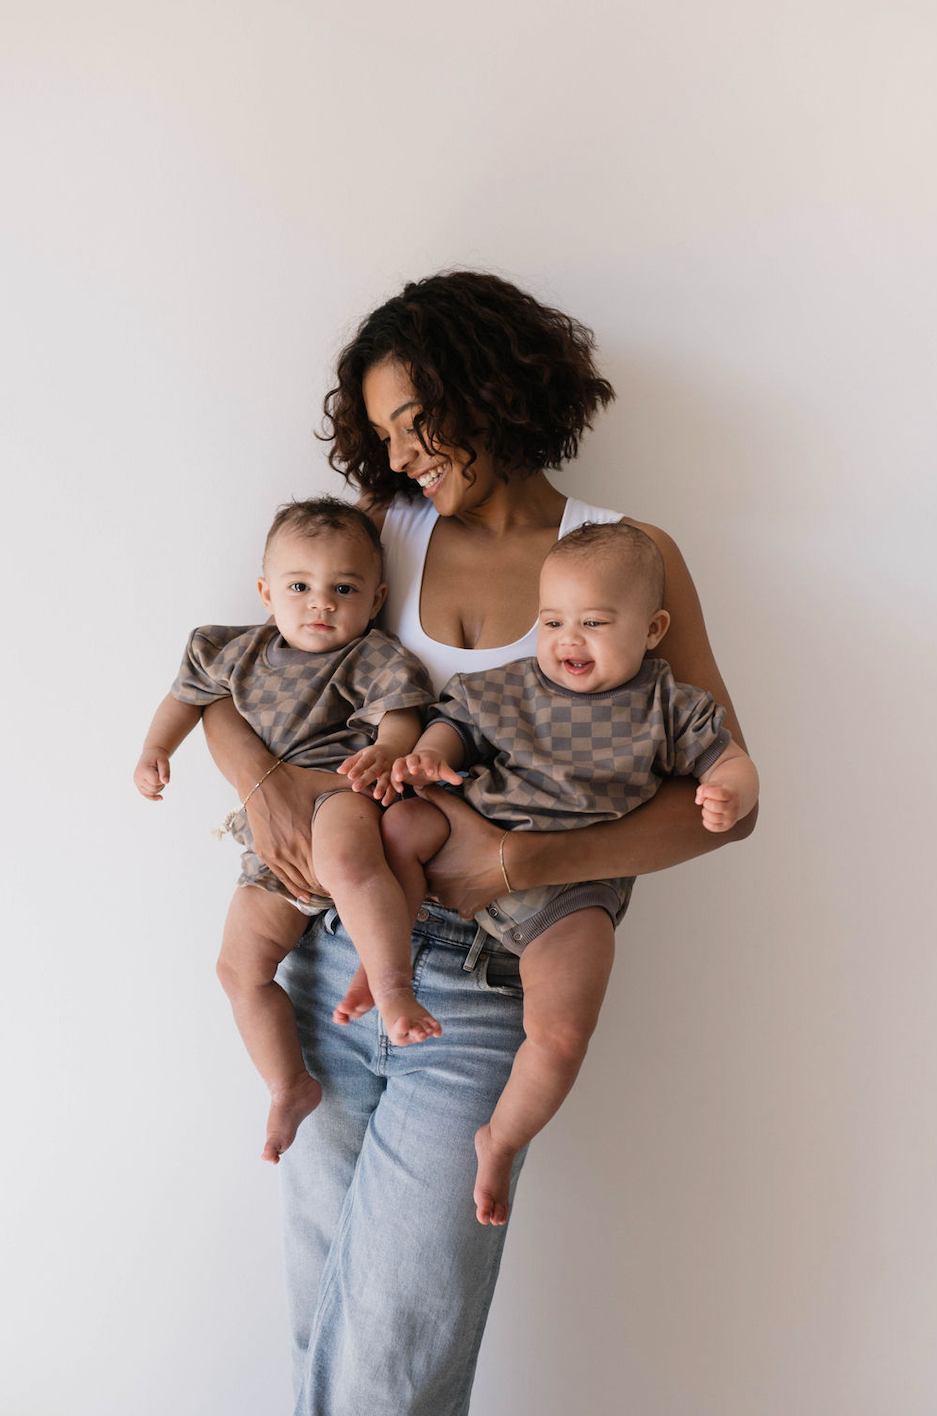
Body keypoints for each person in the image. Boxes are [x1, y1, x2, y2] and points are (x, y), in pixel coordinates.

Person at [201, 271, 757, 1416]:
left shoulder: (623, 554)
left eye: (417, 418)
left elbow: (723, 803)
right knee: (328, 1325)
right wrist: (258, 781)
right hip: (327, 962)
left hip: (492, 985)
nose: (402, 453)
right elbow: (224, 679)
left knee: (390, 1363)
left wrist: (516, 864)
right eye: (383, 430)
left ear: (491, 388)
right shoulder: (379, 540)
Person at [339, 521, 758, 1227]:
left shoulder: (668, 707)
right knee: (399, 829)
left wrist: (730, 789)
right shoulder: (510, 687)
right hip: (470, 834)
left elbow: (730, 763)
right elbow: (455, 723)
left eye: (594, 623)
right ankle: (382, 969)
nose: (569, 639)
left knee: (563, 1030)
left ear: (653, 628)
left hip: (571, 894)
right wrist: (430, 756)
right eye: (553, 620)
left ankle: (501, 1137)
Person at [133, 497, 436, 1164]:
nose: (320, 604)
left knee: (350, 865)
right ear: (267, 592)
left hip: (341, 793)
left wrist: (388, 750)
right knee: (239, 967)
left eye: (344, 589)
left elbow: (400, 718)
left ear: (376, 597)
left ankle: (392, 987)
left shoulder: (374, 658)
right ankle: (287, 1083)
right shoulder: (230, 651)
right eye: (299, 587)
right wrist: (157, 750)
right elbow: (185, 699)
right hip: (266, 842)